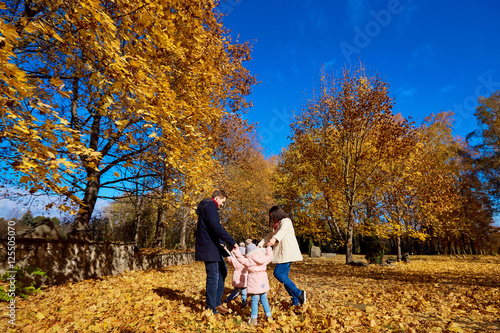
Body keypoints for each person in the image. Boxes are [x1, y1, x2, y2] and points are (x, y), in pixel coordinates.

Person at [195, 190, 237, 315]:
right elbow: (216, 227)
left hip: (214, 247)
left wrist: (223, 245)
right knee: (213, 277)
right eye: (223, 202)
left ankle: (216, 303)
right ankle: (211, 308)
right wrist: (231, 241)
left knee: (222, 271)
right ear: (217, 198)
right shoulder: (210, 206)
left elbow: (213, 229)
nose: (223, 205)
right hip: (209, 247)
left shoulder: (209, 207)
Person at [258, 206, 306, 307]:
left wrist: (274, 239)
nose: (273, 219)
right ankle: (295, 302)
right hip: (282, 254)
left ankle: (299, 293)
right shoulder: (276, 226)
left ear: (278, 214)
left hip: (288, 252)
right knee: (285, 279)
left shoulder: (286, 221)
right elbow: (269, 236)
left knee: (277, 273)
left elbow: (282, 232)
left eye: (273, 216)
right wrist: (260, 244)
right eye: (271, 217)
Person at [233, 240, 274, 325]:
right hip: (263, 281)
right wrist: (269, 247)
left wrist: (236, 250)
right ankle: (269, 316)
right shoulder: (263, 258)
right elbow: (270, 257)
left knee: (254, 301)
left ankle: (254, 319)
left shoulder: (249, 261)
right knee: (264, 300)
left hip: (254, 282)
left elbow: (240, 259)